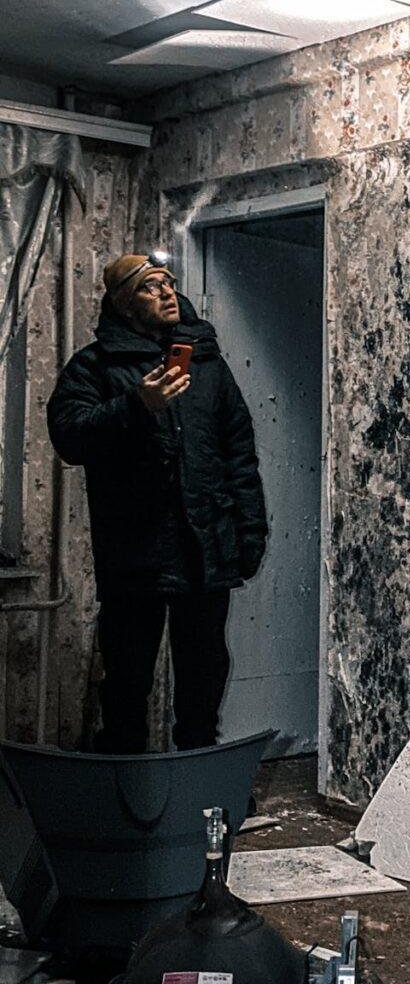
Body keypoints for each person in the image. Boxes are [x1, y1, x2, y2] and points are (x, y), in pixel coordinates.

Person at [47, 251, 267, 753]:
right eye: (150, 287)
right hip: (135, 551)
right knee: (126, 676)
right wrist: (134, 405)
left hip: (203, 547)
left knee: (204, 673)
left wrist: (249, 534)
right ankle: (123, 790)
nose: (167, 292)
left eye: (169, 283)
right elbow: (70, 437)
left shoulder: (204, 363)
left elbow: (238, 452)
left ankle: (199, 784)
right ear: (124, 304)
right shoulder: (95, 366)